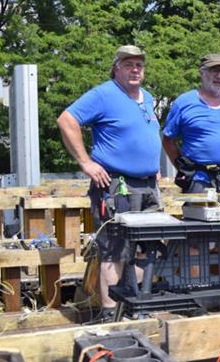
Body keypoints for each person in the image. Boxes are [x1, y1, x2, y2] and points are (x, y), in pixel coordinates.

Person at [57, 45, 162, 321]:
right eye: (128, 64)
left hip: (148, 186)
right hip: (117, 186)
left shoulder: (147, 98)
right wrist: (85, 162)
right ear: (116, 67)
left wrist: (152, 167)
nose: (135, 69)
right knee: (114, 250)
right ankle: (109, 312)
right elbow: (67, 120)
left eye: (139, 64)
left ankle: (132, 304)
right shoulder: (105, 94)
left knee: (146, 248)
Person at [162, 54, 220, 213]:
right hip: (198, 179)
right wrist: (184, 168)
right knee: (200, 232)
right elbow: (168, 140)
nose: (219, 76)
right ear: (201, 72)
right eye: (213, 70)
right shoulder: (184, 102)